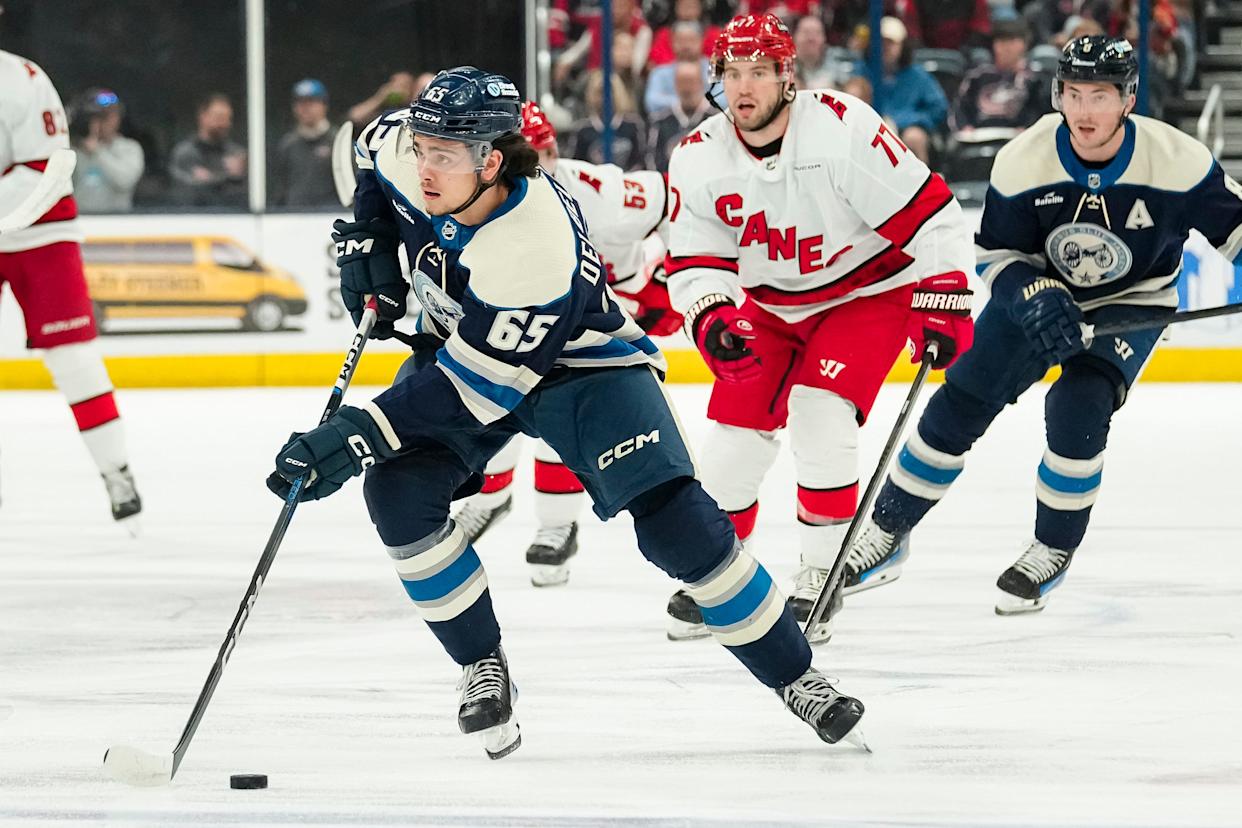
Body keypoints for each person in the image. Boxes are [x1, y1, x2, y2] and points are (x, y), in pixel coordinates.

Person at [265, 66, 866, 758]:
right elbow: (373, 160)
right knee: (398, 494)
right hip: (470, 346)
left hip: (582, 368)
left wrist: (358, 432)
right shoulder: (407, 148)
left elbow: (477, 385)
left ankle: (798, 676)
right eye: (424, 146)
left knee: (680, 527)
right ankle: (480, 664)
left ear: (492, 159)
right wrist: (367, 234)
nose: (426, 166)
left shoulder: (535, 243)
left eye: (446, 155)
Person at [841, 36, 1242, 615]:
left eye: (1099, 96)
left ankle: (1051, 548)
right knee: (962, 400)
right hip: (1037, 294)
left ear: (1128, 98)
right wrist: (1032, 294)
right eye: (1073, 94)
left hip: (1131, 303)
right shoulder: (1024, 159)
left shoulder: (1177, 162)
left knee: (1078, 405)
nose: (1083, 111)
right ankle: (887, 531)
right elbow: (997, 255)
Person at [662, 13, 975, 642]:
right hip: (771, 307)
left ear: (787, 76)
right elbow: (694, 260)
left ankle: (821, 570)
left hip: (869, 291)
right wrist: (712, 313)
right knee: (733, 440)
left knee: (820, 412)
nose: (743, 87)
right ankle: (723, 575)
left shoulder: (840, 127)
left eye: (758, 71)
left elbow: (932, 213)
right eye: (732, 73)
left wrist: (943, 295)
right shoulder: (697, 157)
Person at [449, 99, 680, 588]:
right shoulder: (481, 204)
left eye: (543, 153)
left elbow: (679, 201)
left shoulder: (598, 191)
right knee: (485, 398)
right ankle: (489, 499)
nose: (537, 167)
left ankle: (558, 524)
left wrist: (672, 275)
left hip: (600, 319)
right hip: (532, 321)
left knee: (566, 411)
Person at [0, 50, 141, 526]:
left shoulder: (22, 78)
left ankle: (115, 470)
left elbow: (41, 169)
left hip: (40, 227)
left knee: (73, 358)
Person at [853, 16, 947, 165]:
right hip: (869, 129)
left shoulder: (917, 75)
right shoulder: (861, 71)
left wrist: (906, 120)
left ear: (902, 46)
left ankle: (921, 186)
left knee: (914, 137)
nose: (884, 48)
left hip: (906, 130)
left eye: (890, 43)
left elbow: (938, 107)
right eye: (880, 42)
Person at [951, 17, 1050, 133]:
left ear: (1024, 44)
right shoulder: (977, 76)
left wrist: (1029, 129)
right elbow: (959, 107)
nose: (1006, 47)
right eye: (1001, 41)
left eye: (1012, 41)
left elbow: (1042, 112)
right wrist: (965, 127)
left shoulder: (1036, 78)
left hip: (1020, 138)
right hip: (979, 137)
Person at [70, 88, 144, 213]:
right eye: (97, 117)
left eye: (106, 116)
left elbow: (124, 181)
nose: (102, 122)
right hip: (81, 219)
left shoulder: (130, 148)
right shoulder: (75, 151)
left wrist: (98, 152)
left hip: (115, 222)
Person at [168, 93, 247, 208]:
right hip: (194, 218)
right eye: (219, 117)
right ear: (202, 116)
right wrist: (225, 177)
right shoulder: (185, 153)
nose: (224, 124)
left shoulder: (236, 153)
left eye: (228, 119)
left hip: (231, 217)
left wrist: (240, 175)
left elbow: (247, 194)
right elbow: (185, 192)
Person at [271, 79, 338, 208]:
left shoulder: (336, 141)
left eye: (311, 102)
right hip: (294, 217)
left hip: (330, 216)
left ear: (324, 105)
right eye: (300, 103)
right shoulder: (288, 144)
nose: (305, 108)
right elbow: (281, 186)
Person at [647, 58, 715, 172]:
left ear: (701, 83)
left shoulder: (716, 120)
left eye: (691, 81)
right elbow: (653, 161)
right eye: (682, 82)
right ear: (675, 84)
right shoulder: (659, 122)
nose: (687, 88)